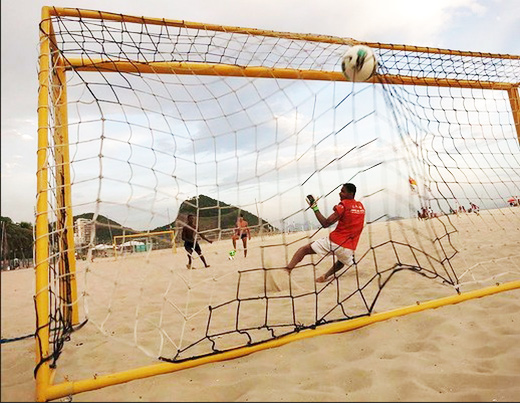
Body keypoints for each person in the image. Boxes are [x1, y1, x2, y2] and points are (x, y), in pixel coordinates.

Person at [284, 183, 365, 283]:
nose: (340, 193)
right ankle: (324, 276)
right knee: (341, 261)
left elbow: (326, 223)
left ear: (351, 193)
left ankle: (287, 270)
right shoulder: (361, 207)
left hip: (335, 242)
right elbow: (351, 218)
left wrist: (315, 208)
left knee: (303, 250)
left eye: (343, 191)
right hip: (349, 247)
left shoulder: (343, 205)